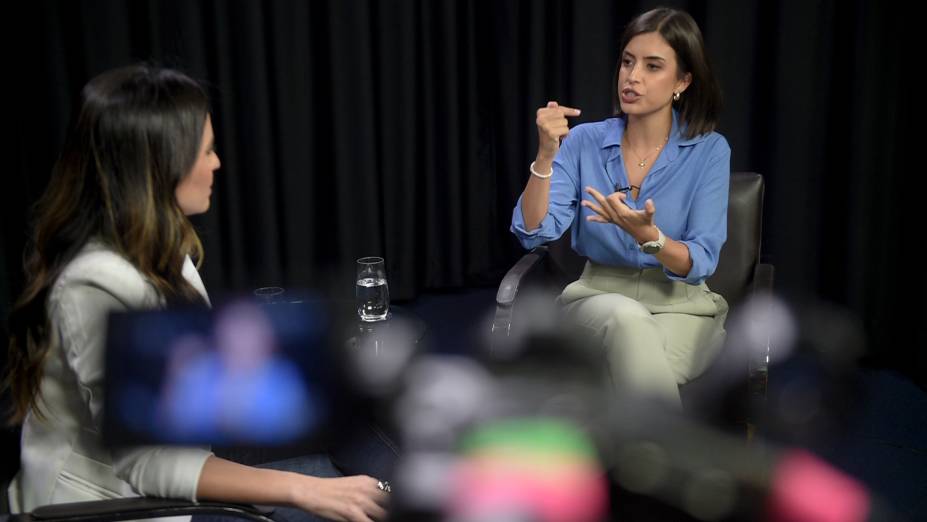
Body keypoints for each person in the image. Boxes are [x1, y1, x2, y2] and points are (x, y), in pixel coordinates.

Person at [3, 64, 388, 521]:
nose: (216, 163)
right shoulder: (95, 283)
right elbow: (147, 462)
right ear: (161, 167)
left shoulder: (153, 238)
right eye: (205, 151)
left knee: (359, 441)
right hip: (104, 507)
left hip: (170, 459)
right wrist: (305, 491)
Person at [511, 8, 731, 407]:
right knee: (627, 323)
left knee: (625, 375)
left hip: (681, 309)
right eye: (628, 62)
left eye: (652, 66)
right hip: (598, 300)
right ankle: (677, 463)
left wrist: (649, 237)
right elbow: (533, 232)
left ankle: (629, 463)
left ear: (682, 81)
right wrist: (546, 156)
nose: (632, 76)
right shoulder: (583, 142)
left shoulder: (710, 151)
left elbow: (701, 259)